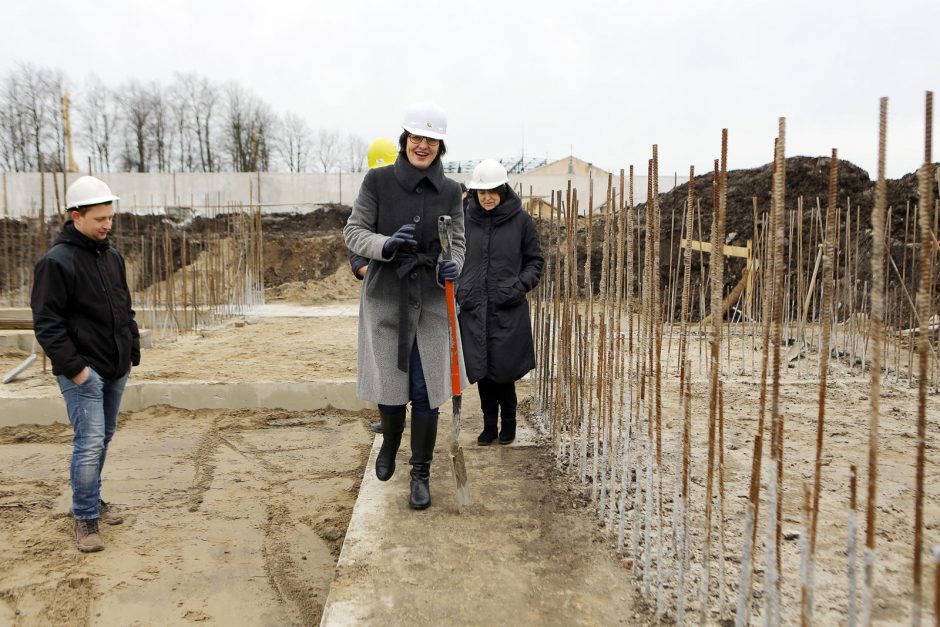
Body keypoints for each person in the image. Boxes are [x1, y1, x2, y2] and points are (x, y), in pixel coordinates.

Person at [344, 101, 467, 510]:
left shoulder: (451, 191)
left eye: (431, 140)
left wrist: (453, 265)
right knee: (392, 391)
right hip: (386, 299)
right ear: (405, 140)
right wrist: (384, 245)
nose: (423, 146)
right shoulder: (377, 182)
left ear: (439, 146)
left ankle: (420, 473)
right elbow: (354, 232)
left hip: (431, 303)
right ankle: (390, 442)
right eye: (416, 137)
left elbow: (459, 243)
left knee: (427, 391)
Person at [31, 176, 140, 552]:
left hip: (115, 365)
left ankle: (92, 499)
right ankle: (85, 517)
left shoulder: (111, 256)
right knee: (90, 442)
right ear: (76, 216)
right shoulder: (56, 263)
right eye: (100, 219)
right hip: (83, 372)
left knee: (102, 438)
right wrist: (77, 370)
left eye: (110, 217)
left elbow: (124, 307)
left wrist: (132, 349)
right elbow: (47, 325)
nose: (107, 225)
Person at [458, 159, 543, 446]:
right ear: (474, 193)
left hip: (506, 308)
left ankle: (509, 423)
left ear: (504, 189)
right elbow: (452, 258)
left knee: (503, 372)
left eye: (493, 191)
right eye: (482, 192)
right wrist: (461, 289)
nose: (487, 197)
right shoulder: (464, 220)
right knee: (482, 371)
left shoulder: (521, 221)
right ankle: (488, 426)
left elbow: (535, 261)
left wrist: (518, 287)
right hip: (474, 307)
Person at [348, 137, 399, 433]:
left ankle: (417, 418)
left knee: (412, 359)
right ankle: (390, 419)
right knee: (381, 358)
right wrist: (365, 269)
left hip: (411, 291)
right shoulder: (368, 198)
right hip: (379, 292)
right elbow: (353, 238)